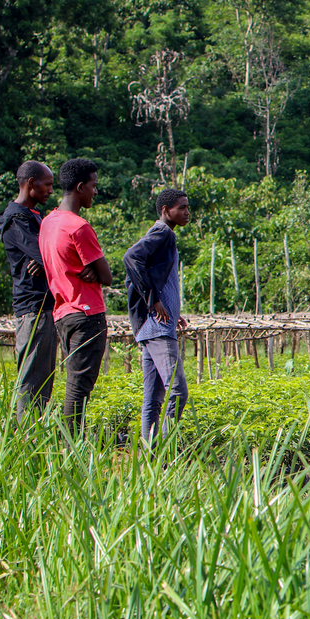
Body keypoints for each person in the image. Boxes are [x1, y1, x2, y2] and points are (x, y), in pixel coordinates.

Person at [38, 158, 113, 433]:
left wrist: (91, 269)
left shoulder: (48, 223)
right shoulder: (78, 227)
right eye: (93, 186)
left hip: (63, 314)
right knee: (78, 390)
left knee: (73, 385)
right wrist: (94, 271)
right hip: (87, 314)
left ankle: (69, 445)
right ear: (80, 187)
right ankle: (71, 448)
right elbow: (106, 276)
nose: (95, 191)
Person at [123, 188, 192, 443]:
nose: (187, 212)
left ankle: (151, 458)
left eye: (187, 207)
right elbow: (131, 258)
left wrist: (172, 309)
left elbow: (161, 277)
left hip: (155, 326)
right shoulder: (163, 232)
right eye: (182, 207)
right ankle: (164, 451)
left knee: (153, 398)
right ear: (166, 210)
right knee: (177, 391)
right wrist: (153, 300)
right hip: (157, 327)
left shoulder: (166, 235)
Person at [0, 161, 57, 421]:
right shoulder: (16, 219)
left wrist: (46, 259)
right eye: (47, 185)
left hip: (45, 306)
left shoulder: (35, 217)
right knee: (32, 379)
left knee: (42, 378)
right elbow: (46, 253)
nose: (50, 191)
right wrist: (44, 258)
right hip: (34, 308)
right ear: (31, 184)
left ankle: (34, 433)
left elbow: (48, 254)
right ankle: (27, 439)